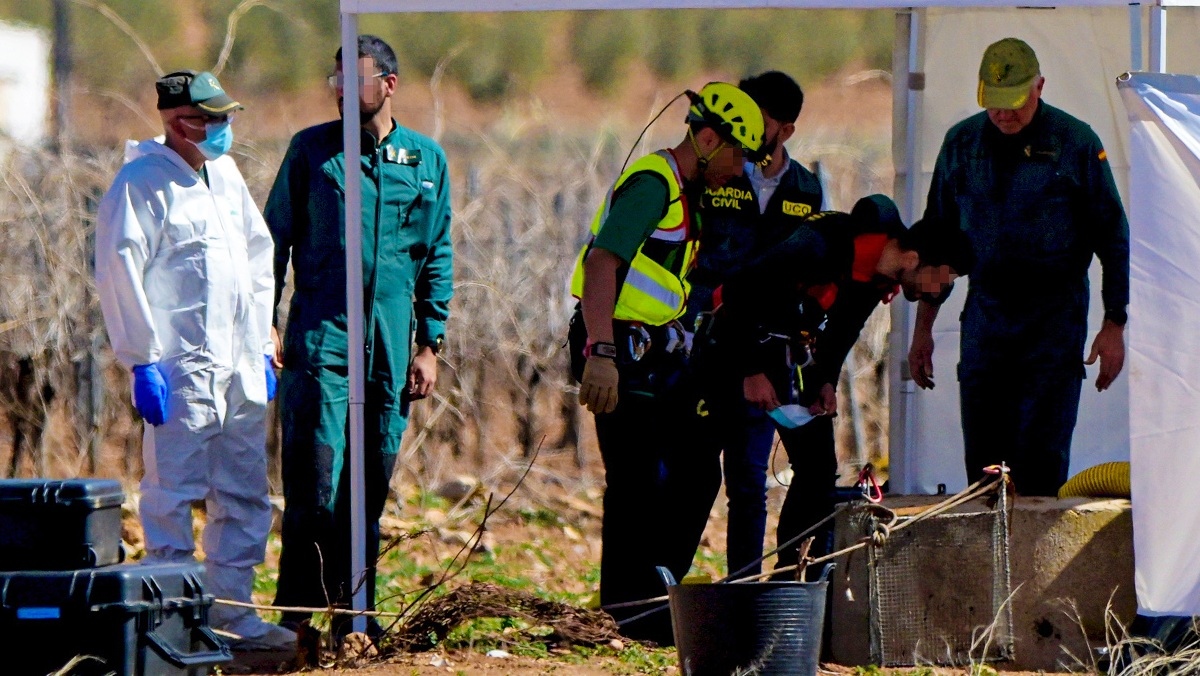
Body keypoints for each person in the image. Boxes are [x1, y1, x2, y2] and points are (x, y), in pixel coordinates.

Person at [95, 70, 295, 654]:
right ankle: (174, 622)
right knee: (173, 493)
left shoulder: (224, 176)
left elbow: (258, 262)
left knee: (244, 492)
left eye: (225, 117)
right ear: (178, 120)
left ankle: (234, 616)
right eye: (211, 118)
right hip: (179, 369)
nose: (222, 128)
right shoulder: (141, 183)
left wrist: (262, 341)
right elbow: (119, 273)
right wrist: (141, 361)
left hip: (238, 366)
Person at [264, 35, 453, 638]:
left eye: (357, 78)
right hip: (322, 340)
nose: (343, 90)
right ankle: (295, 619)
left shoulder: (426, 161)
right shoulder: (312, 152)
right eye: (336, 79)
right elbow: (272, 243)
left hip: (391, 347)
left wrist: (430, 343)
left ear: (389, 84)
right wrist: (265, 319)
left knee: (367, 491)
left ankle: (357, 619)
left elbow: (436, 255)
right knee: (315, 485)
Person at [568, 82, 764, 644]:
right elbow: (603, 263)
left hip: (651, 352)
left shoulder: (687, 192)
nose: (739, 169)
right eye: (735, 154)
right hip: (616, 349)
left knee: (696, 470)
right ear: (706, 139)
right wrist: (600, 353)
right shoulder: (654, 184)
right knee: (633, 482)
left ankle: (652, 602)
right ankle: (627, 616)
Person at [907, 38, 1129, 496]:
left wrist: (1114, 323)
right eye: (994, 105)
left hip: (1053, 322)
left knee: (1041, 466)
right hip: (987, 321)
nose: (1004, 115)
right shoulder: (961, 145)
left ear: (1039, 87)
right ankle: (992, 564)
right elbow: (940, 246)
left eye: (1014, 105)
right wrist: (923, 328)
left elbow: (1114, 238)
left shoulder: (1077, 143)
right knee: (986, 473)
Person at [686, 70, 825, 578]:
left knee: (748, 482)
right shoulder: (715, 170)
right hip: (701, 348)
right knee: (691, 476)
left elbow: (807, 282)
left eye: (759, 124)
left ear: (785, 130)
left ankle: (743, 592)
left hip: (768, 356)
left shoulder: (806, 189)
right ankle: (665, 595)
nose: (744, 132)